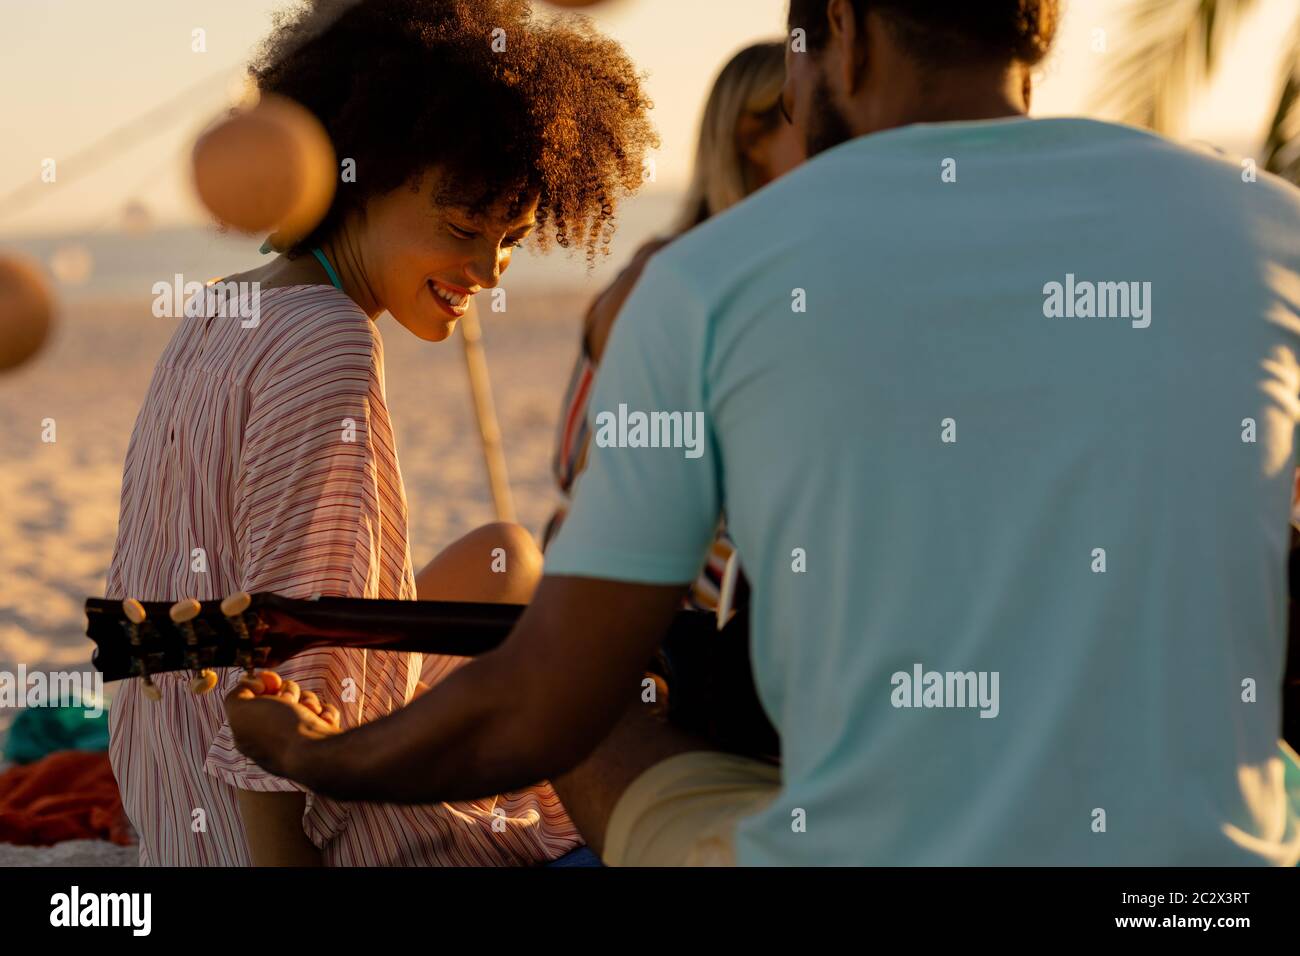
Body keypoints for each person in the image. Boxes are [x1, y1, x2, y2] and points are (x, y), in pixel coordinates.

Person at [226, 0, 1300, 866]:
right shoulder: (1267, 226)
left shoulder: (708, 280)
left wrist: (323, 753)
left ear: (846, 30)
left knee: (607, 713)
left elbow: (539, 704)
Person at [106, 0, 654, 866]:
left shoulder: (223, 306)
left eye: (510, 240)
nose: (486, 271)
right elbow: (290, 649)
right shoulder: (330, 342)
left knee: (507, 556)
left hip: (170, 772)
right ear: (362, 174)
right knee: (615, 718)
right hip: (279, 819)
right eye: (463, 227)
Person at [545, 40, 804, 626]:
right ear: (751, 139)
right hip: (633, 603)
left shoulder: (785, 282)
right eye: (808, 120)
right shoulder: (663, 279)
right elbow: (578, 469)